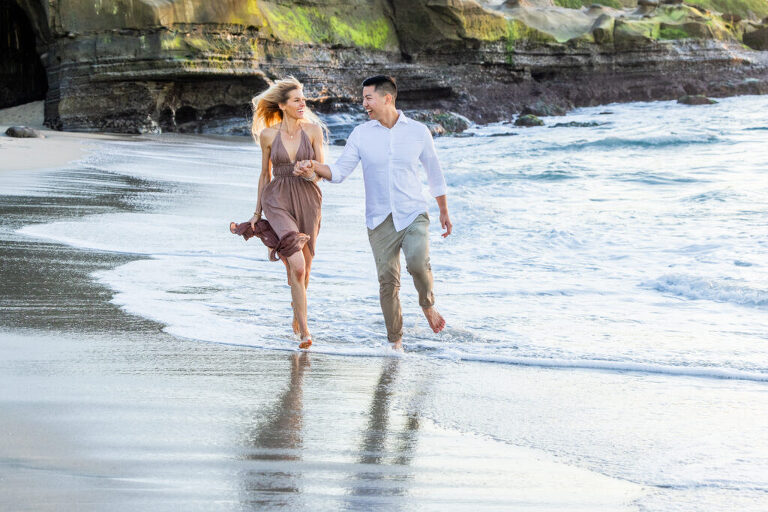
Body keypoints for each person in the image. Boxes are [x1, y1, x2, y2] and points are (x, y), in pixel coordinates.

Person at [295, 75, 452, 350]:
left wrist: (444, 212)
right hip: (379, 220)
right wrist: (313, 166)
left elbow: (434, 174)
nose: (364, 104)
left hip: (413, 212)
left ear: (387, 98)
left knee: (417, 263)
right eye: (364, 98)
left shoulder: (418, 132)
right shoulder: (361, 134)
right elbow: (339, 172)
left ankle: (427, 305)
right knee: (387, 282)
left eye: (368, 98)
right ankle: (396, 342)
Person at [243, 76, 327, 350]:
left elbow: (321, 173)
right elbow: (264, 175)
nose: (303, 103)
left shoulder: (314, 131)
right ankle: (304, 331)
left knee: (304, 270)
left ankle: (296, 308)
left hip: (308, 199)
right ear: (282, 105)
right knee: (298, 265)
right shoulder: (268, 135)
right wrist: (257, 211)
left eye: (303, 99)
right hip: (277, 198)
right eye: (297, 100)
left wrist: (311, 172)